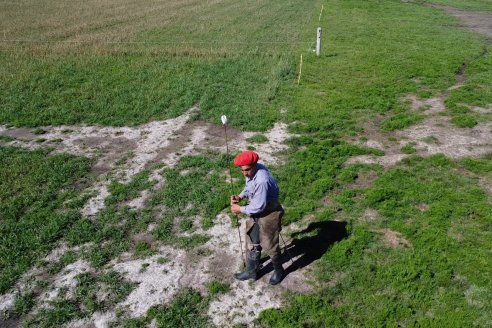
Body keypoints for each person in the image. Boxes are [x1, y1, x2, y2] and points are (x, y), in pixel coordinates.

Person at [230, 150, 285, 285]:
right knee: (253, 238)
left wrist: (240, 209)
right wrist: (241, 196)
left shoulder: (262, 180)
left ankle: (279, 270)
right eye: (242, 170)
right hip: (257, 207)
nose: (244, 173)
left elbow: (259, 206)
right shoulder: (252, 171)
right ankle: (251, 271)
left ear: (254, 165)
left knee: (269, 243)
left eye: (247, 170)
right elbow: (249, 186)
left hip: (269, 212)